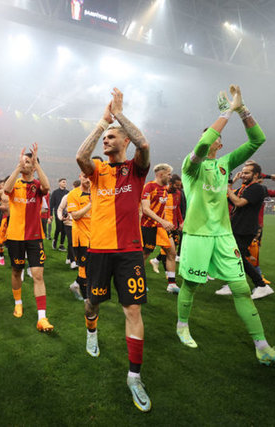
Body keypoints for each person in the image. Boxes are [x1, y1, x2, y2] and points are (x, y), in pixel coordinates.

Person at [175, 85, 275, 370]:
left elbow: (258, 139)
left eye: (215, 137)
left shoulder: (225, 163)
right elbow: (202, 145)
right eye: (208, 135)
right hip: (197, 235)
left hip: (223, 235)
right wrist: (225, 113)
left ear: (220, 145)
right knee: (191, 285)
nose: (210, 138)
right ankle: (182, 326)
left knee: (242, 288)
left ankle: (263, 347)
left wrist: (242, 109)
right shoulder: (190, 166)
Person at [76, 88, 151, 412]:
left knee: (132, 311)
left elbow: (144, 145)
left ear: (125, 141)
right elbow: (81, 157)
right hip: (99, 251)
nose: (105, 141)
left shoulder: (136, 169)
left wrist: (119, 115)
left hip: (130, 252)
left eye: (111, 137)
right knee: (92, 303)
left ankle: (134, 377)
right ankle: (91, 331)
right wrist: (102, 122)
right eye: (104, 138)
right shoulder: (97, 170)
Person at [3, 143, 53, 332]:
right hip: (15, 236)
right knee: (17, 271)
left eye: (28, 162)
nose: (25, 164)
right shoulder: (15, 183)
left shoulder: (38, 185)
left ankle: (42, 317)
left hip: (34, 237)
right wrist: (18, 167)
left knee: (38, 275)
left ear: (33, 165)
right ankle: (18, 303)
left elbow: (47, 187)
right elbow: (6, 190)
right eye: (23, 161)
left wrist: (36, 165)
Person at [225, 162, 275, 299]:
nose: (243, 175)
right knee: (235, 257)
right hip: (238, 227)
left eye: (247, 173)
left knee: (238, 257)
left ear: (256, 175)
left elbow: (239, 202)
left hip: (245, 229)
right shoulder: (246, 188)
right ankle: (235, 284)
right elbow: (231, 199)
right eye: (242, 172)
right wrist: (229, 185)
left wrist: (228, 188)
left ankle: (261, 285)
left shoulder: (257, 188)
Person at [141, 163, 180, 294]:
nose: (170, 177)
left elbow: (163, 208)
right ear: (161, 174)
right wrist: (162, 221)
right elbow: (146, 209)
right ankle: (139, 281)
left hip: (161, 227)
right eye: (169, 174)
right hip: (148, 226)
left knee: (172, 252)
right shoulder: (149, 186)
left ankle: (172, 284)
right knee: (144, 255)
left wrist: (167, 222)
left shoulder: (165, 188)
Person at [66, 172, 91, 301]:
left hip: (96, 235)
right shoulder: (73, 194)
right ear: (80, 176)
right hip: (81, 236)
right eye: (85, 177)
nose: (88, 180)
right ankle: (87, 299)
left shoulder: (96, 192)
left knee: (92, 267)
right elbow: (75, 215)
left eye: (90, 177)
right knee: (84, 267)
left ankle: (75, 285)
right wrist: (91, 204)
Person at [57, 180, 79, 267]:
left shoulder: (83, 196)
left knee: (76, 242)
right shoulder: (67, 196)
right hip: (68, 222)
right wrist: (61, 217)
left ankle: (68, 257)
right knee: (71, 241)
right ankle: (73, 262)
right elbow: (60, 208)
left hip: (79, 223)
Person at [49, 178, 68, 250]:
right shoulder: (55, 192)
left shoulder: (68, 192)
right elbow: (51, 204)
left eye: (65, 182)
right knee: (58, 228)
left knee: (64, 229)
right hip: (57, 212)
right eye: (63, 182)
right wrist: (51, 214)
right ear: (59, 183)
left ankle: (61, 245)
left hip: (65, 213)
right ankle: (55, 241)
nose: (65, 183)